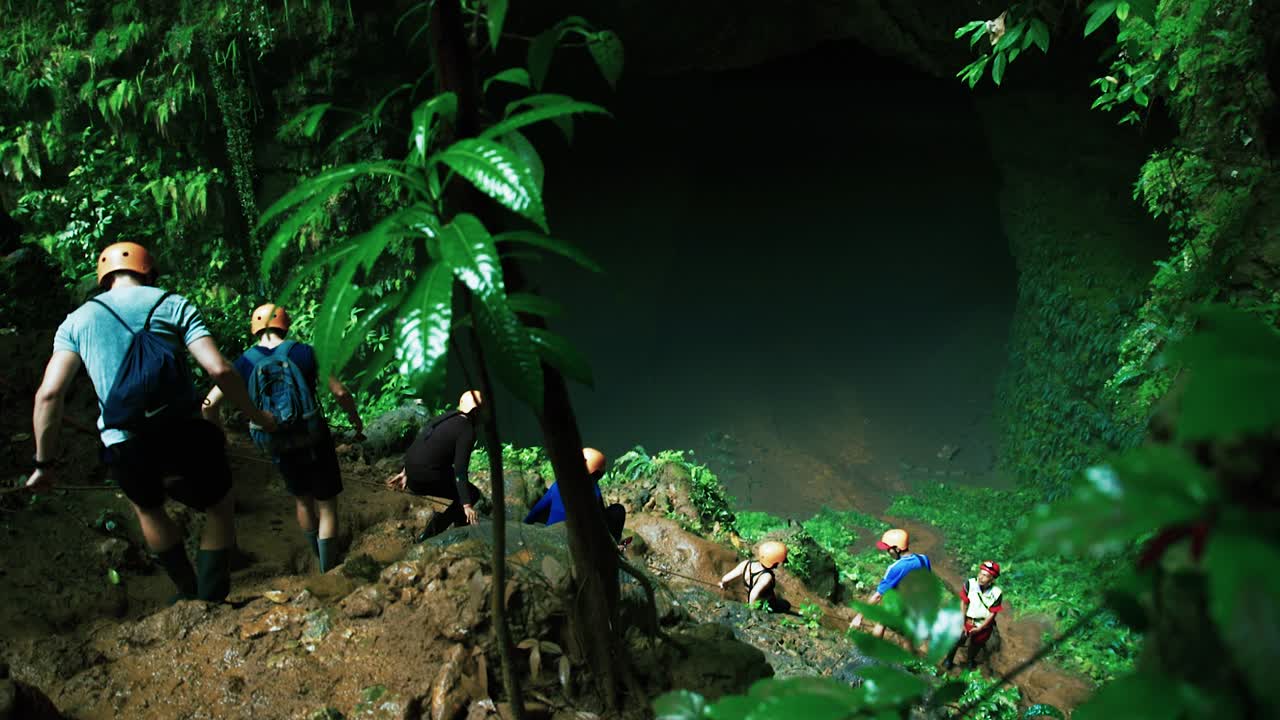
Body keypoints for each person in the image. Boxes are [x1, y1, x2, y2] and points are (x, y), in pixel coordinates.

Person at [27, 242, 276, 603]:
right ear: (148, 270)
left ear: (103, 278)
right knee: (219, 506)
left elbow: (48, 396)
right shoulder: (172, 304)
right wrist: (258, 417)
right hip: (184, 433)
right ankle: (212, 597)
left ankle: (188, 594)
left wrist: (43, 464)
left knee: (148, 508)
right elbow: (219, 368)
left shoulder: (76, 322)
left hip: (124, 442)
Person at [201, 304, 363, 573]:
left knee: (302, 500)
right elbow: (341, 393)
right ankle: (328, 567)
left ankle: (315, 554)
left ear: (255, 329)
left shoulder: (242, 363)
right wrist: (355, 421)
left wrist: (218, 440)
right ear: (285, 325)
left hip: (276, 440)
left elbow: (208, 404)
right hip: (313, 437)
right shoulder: (305, 352)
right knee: (326, 504)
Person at [386, 390, 484, 540]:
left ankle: (460, 526)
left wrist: (405, 471)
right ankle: (430, 534)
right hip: (423, 478)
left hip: (411, 474)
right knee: (471, 494)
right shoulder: (467, 430)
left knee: (462, 492)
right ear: (476, 411)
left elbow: (422, 440)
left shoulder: (447, 416)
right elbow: (460, 469)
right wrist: (467, 505)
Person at [523, 447, 627, 541]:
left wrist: (525, 524)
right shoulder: (593, 490)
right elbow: (599, 521)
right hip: (578, 542)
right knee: (618, 510)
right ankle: (614, 548)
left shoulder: (559, 484)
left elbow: (537, 510)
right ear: (596, 473)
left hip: (552, 534)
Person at [849, 528, 932, 637]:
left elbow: (878, 596)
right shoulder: (923, 559)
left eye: (889, 549)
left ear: (897, 549)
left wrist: (859, 617)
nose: (887, 552)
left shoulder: (896, 568)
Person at [945, 560, 1004, 670]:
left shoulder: (996, 593)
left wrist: (981, 627)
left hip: (983, 623)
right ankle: (949, 659)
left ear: (992, 579)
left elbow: (992, 613)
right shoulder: (970, 584)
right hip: (968, 620)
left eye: (985, 576)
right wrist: (962, 621)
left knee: (977, 643)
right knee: (958, 639)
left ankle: (970, 660)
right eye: (980, 573)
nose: (981, 577)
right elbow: (964, 602)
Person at [719, 541, 791, 613]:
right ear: (774, 563)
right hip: (764, 605)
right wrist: (751, 610)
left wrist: (724, 584)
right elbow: (754, 594)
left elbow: (725, 578)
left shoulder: (746, 564)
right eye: (778, 562)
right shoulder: (766, 576)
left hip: (751, 598)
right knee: (786, 605)